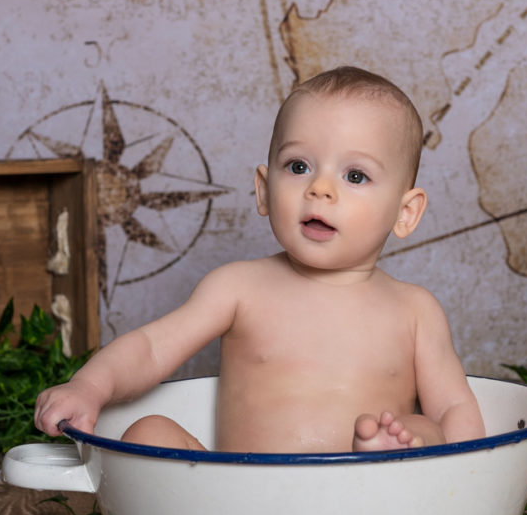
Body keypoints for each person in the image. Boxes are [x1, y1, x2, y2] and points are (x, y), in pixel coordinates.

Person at [34, 66, 485, 452]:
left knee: (428, 428)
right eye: (298, 167)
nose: (320, 189)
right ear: (263, 190)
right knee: (148, 432)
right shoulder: (238, 288)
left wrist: (470, 474)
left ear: (405, 213)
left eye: (354, 175)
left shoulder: (414, 310)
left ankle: (389, 452)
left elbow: (453, 406)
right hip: (241, 502)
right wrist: (89, 387)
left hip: (370, 501)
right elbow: (151, 348)